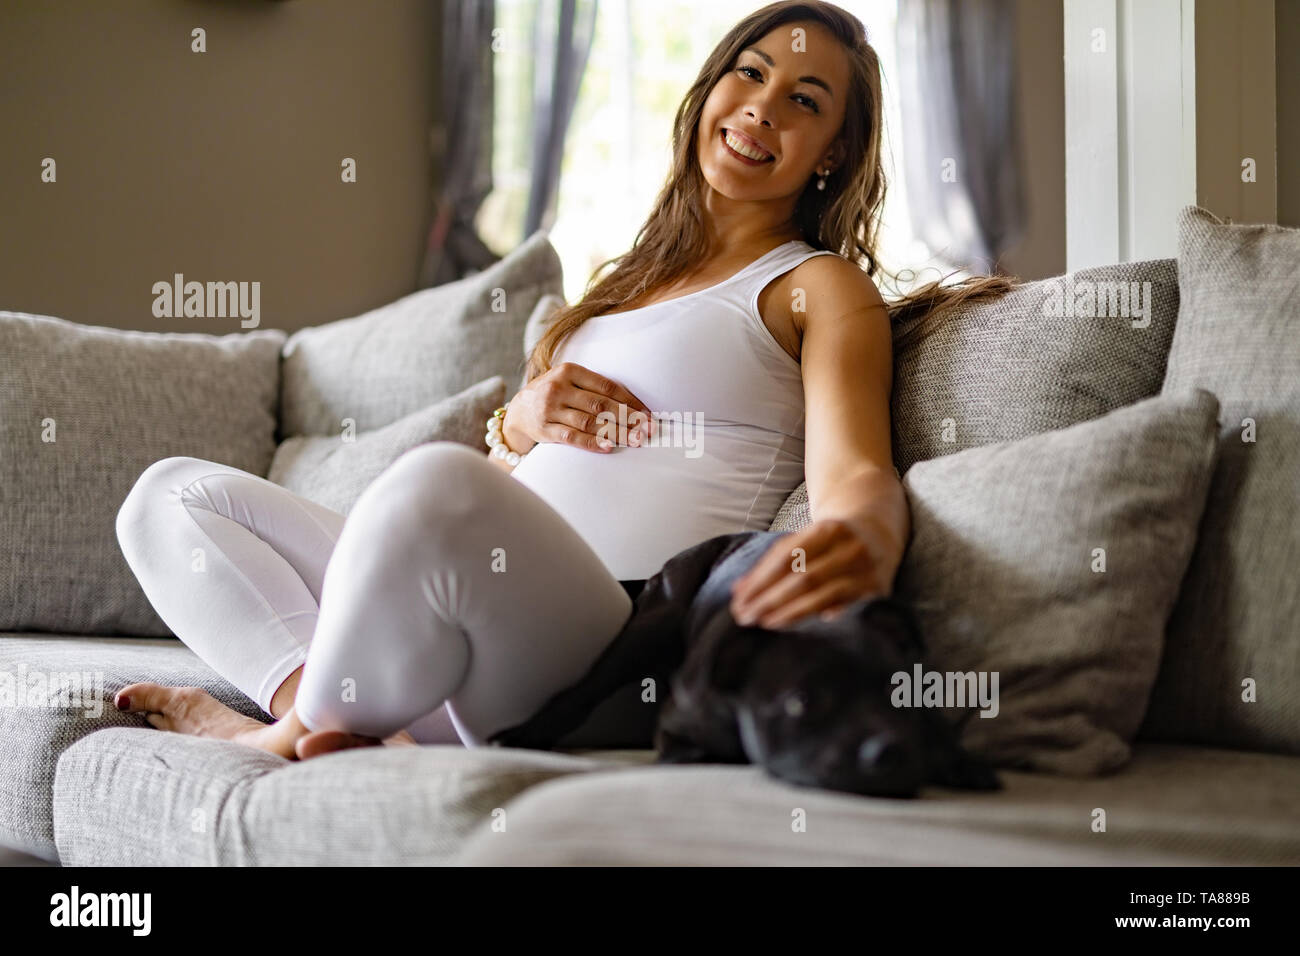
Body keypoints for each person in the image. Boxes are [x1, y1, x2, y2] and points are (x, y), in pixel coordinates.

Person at [112, 1, 1012, 761]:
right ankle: (329, 717)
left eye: (803, 99)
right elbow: (502, 486)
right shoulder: (621, 284)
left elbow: (856, 471)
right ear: (709, 91)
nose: (761, 107)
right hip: (474, 610)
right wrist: (520, 420)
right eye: (748, 73)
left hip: (600, 647)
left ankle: (279, 743)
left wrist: (861, 537)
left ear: (831, 154)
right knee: (170, 496)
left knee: (430, 484)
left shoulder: (815, 286)